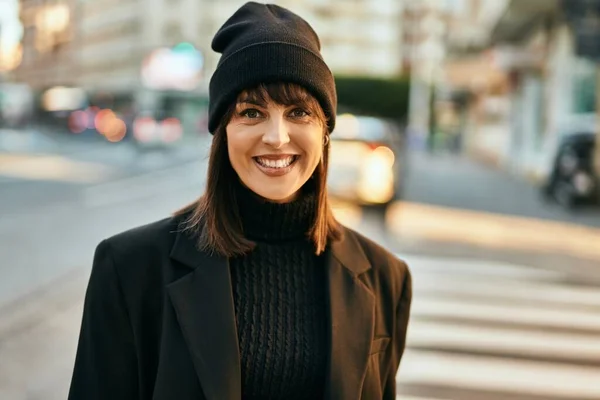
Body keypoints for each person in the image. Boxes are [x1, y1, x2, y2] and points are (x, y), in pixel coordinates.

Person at [68, 2, 412, 400]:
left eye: (299, 112)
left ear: (324, 131)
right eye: (251, 112)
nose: (277, 137)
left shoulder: (385, 278)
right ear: (223, 132)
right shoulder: (130, 268)